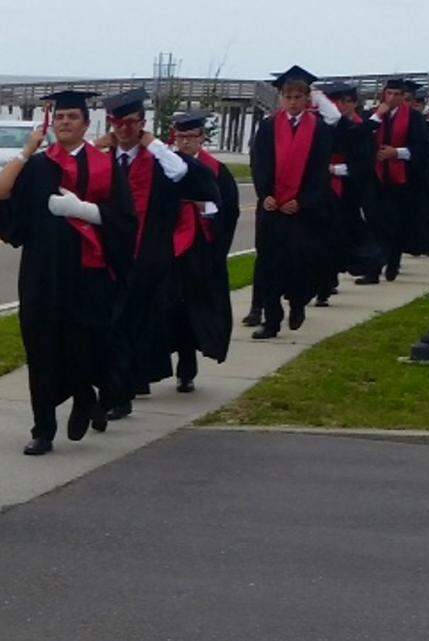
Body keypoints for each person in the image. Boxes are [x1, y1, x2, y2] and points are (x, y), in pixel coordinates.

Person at [0, 89, 137, 455]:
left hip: (89, 273)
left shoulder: (105, 166)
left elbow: (125, 221)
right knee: (40, 346)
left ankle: (85, 395)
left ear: (88, 124)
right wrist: (27, 151)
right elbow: (0, 195)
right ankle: (43, 428)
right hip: (43, 271)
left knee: (84, 343)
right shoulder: (39, 166)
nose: (65, 122)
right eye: (60, 117)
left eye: (73, 117)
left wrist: (84, 211)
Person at [94, 88, 219, 419]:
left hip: (149, 260)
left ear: (142, 123)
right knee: (112, 327)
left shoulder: (160, 162)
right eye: (117, 123)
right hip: (110, 258)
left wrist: (154, 144)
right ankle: (118, 393)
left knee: (135, 327)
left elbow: (184, 173)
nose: (124, 129)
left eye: (131, 123)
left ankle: (123, 393)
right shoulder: (103, 160)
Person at [248, 65, 336, 339]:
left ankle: (297, 304)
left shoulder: (319, 129)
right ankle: (271, 320)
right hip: (273, 209)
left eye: (298, 97)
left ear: (307, 99)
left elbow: (320, 171)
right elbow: (259, 163)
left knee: (299, 263)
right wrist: (266, 194)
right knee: (269, 264)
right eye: (288, 97)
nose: (293, 102)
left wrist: (303, 201)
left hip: (302, 212)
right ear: (281, 98)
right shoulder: (268, 126)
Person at [167, 110, 239, 392]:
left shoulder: (217, 170)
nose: (185, 143)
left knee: (192, 311)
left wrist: (204, 208)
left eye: (191, 137)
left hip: (201, 251)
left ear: (202, 138)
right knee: (161, 309)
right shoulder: (165, 167)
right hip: (168, 250)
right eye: (180, 137)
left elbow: (228, 211)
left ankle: (187, 369)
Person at [357, 78, 429, 284]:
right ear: (384, 94)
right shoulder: (373, 116)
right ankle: (373, 271)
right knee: (374, 224)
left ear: (403, 97)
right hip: (375, 180)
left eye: (397, 94)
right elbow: (359, 139)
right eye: (389, 93)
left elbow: (425, 150)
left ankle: (392, 262)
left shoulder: (415, 119)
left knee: (396, 225)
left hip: (402, 181)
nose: (392, 98)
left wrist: (397, 152)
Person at [318, 81, 383, 288]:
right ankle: (326, 282)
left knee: (349, 233)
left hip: (350, 190)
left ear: (354, 103)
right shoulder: (326, 126)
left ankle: (370, 266)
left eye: (346, 102)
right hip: (326, 189)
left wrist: (334, 170)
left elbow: (364, 164)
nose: (341, 106)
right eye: (336, 102)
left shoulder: (361, 129)